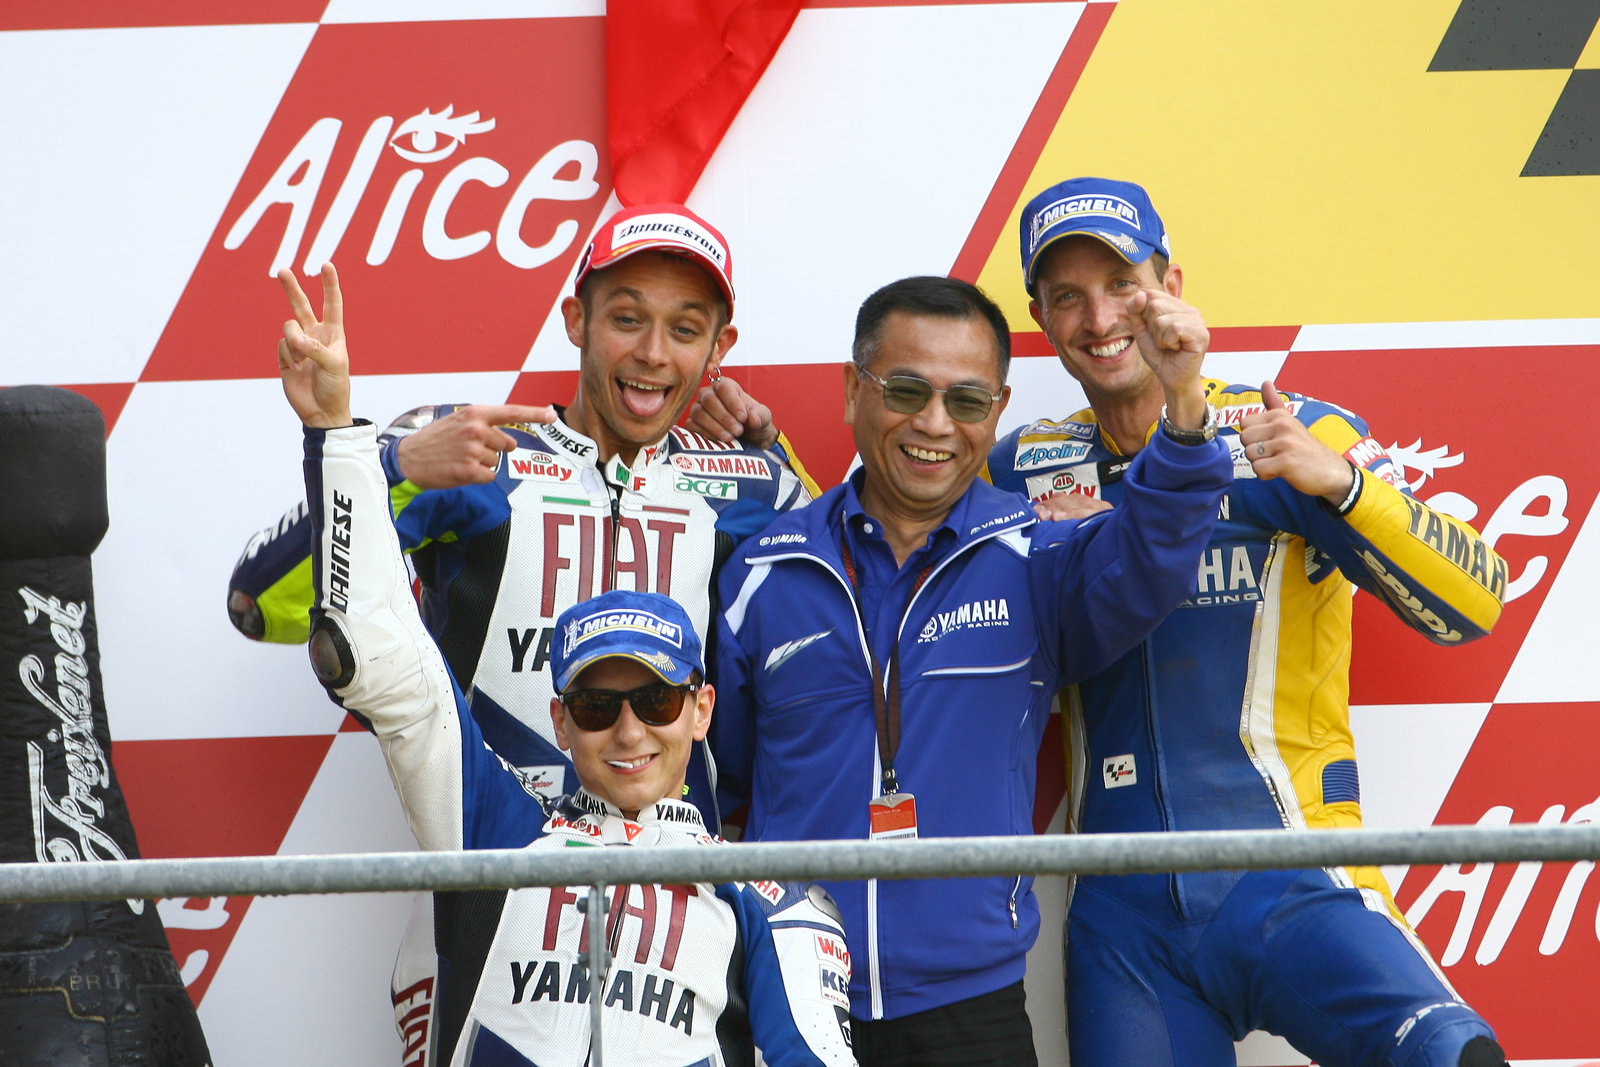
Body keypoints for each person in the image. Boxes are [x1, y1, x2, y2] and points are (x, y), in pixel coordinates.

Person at [253, 203, 813, 1058]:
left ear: (718, 350)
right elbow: (264, 605)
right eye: (626, 318)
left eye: (685, 330)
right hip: (488, 878)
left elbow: (845, 576)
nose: (654, 353)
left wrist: (774, 450)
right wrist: (394, 468)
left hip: (670, 901)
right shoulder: (474, 449)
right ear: (576, 321)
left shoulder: (743, 485)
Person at [983, 176, 1510, 1066]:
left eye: (1123, 283)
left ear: (1173, 286)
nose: (1100, 316)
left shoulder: (1287, 426)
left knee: (1452, 1056)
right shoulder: (1021, 470)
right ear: (1041, 318)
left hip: (1294, 871)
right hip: (1124, 917)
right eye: (1067, 296)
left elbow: (1475, 602)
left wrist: (1342, 487)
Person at [708, 274, 1232, 1065]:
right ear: (853, 389)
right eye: (907, 389)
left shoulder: (1037, 556)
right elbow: (723, 776)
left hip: (971, 1008)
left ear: (997, 409)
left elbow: (1153, 556)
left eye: (967, 401)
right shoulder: (764, 571)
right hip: (788, 998)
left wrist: (1184, 407)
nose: (933, 424)